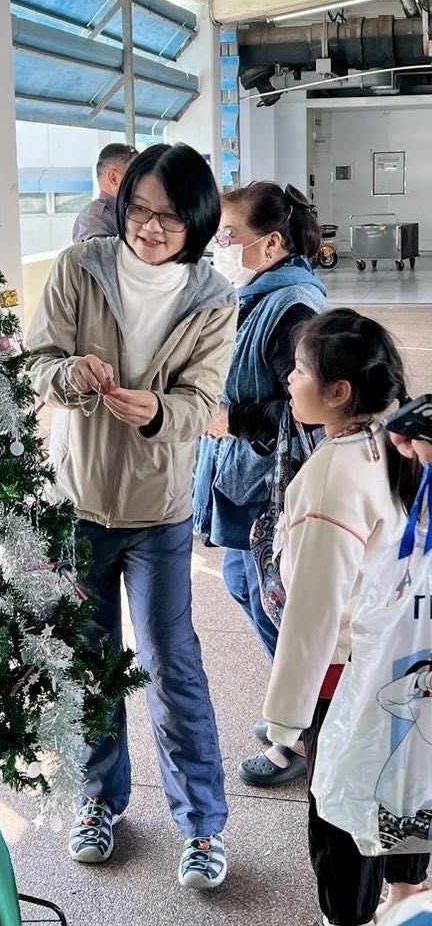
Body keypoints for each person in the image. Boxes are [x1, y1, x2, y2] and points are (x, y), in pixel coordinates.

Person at [26, 143, 238, 889]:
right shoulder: (78, 268)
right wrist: (68, 374)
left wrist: (157, 411)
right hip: (78, 503)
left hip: (159, 512)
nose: (150, 227)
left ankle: (202, 824)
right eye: (139, 209)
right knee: (90, 663)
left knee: (170, 663)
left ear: (197, 222)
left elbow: (203, 402)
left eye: (170, 217)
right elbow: (35, 360)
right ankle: (98, 799)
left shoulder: (214, 299)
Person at [262, 309, 428, 926]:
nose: (289, 380)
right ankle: (408, 896)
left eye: (300, 370)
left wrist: (285, 718)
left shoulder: (332, 477)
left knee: (341, 803)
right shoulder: (399, 445)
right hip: (406, 658)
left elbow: (315, 610)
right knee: (402, 778)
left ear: (339, 392)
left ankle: (348, 916)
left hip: (344, 674)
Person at [193, 181, 327, 787]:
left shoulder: (293, 310)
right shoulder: (258, 294)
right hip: (243, 477)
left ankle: (301, 729)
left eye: (228, 236)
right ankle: (295, 707)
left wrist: (237, 420)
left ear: (271, 244)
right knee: (245, 584)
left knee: (273, 600)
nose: (218, 245)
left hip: (268, 483)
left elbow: (313, 406)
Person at [72, 143, 138, 242]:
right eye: (135, 175)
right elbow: (99, 252)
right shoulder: (93, 218)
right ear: (113, 178)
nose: (142, 181)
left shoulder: (123, 210)